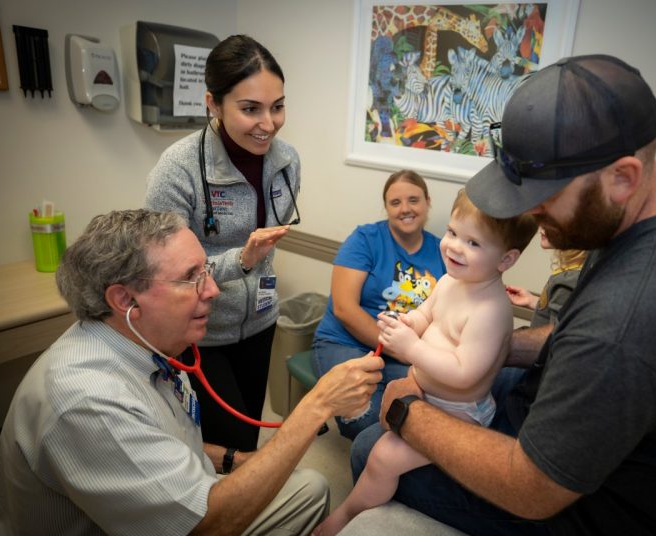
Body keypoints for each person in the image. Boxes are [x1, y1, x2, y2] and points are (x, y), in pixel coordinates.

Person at [349, 54, 656, 535]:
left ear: (622, 178)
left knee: (371, 447)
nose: (531, 216)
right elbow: (578, 338)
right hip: (607, 422)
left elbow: (533, 488)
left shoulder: (628, 321)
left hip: (606, 506)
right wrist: (495, 346)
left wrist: (407, 414)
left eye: (543, 197)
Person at [0, 209, 383, 535]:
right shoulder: (88, 401)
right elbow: (203, 528)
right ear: (125, 299)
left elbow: (156, 438)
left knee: (309, 486)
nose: (212, 290)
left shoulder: (143, 345)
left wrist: (233, 460)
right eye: (191, 277)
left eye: (206, 271)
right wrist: (317, 405)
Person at [315, 189, 537, 535]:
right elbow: (424, 314)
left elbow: (465, 374)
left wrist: (411, 349)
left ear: (505, 260)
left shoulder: (491, 310)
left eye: (473, 243)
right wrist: (406, 325)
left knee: (383, 459)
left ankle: (345, 517)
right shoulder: (450, 281)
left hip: (460, 413)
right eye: (451, 232)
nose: (453, 246)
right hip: (427, 393)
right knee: (378, 441)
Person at [146, 35, 298, 452]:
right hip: (200, 332)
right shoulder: (178, 170)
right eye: (251, 109)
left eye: (277, 106)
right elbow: (167, 273)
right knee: (221, 447)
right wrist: (241, 260)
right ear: (213, 103)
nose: (268, 123)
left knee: (248, 436)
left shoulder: (287, 162)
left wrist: (255, 268)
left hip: (261, 322)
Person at [312, 169, 446, 439]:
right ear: (386, 207)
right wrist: (401, 350)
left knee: (428, 408)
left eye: (413, 200)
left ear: (427, 202)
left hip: (404, 350)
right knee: (368, 420)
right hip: (345, 343)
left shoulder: (442, 251)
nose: (405, 209)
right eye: (395, 203)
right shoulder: (365, 240)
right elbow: (344, 309)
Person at [506, 227, 586, 328]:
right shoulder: (574, 272)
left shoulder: (568, 280)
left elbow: (552, 337)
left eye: (552, 222)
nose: (542, 227)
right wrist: (533, 301)